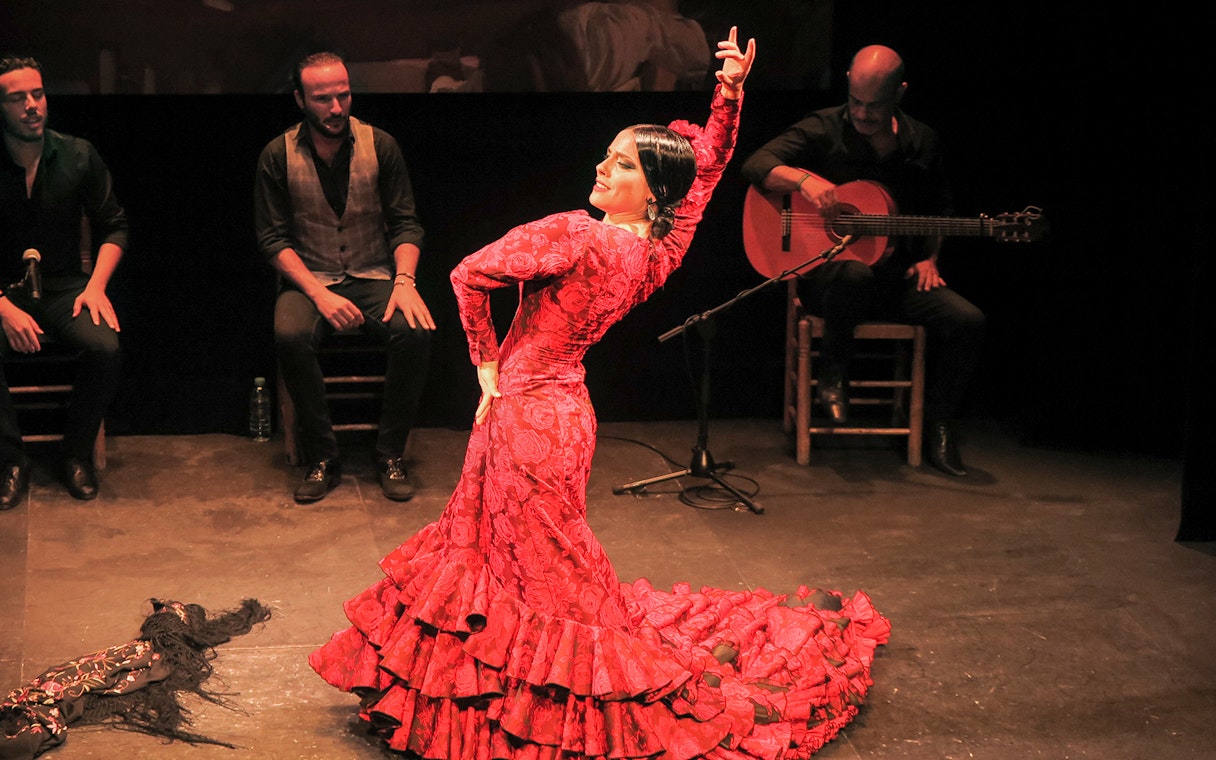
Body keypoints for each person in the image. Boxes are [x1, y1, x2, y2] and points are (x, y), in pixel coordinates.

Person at [310, 29, 890, 759]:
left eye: (621, 164)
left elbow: (465, 275)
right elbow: (706, 168)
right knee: (526, 569)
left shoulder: (576, 236)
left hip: (526, 418)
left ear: (652, 187)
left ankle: (553, 708)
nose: (601, 167)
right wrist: (730, 94)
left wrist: (486, 365)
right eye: (607, 156)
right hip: (568, 414)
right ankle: (517, 699)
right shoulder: (660, 250)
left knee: (524, 574)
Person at [741, 44, 985, 477]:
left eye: (875, 105)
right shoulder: (824, 127)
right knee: (854, 273)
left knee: (968, 321)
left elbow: (940, 210)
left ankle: (939, 422)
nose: (863, 113)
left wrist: (930, 258)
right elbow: (756, 163)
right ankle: (833, 374)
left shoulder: (921, 142)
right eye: (856, 101)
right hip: (833, 284)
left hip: (898, 279)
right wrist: (804, 180)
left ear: (900, 93)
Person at [254, 51, 435, 504]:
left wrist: (404, 281)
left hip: (373, 273)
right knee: (290, 334)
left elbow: (406, 223)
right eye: (322, 99)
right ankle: (322, 457)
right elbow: (272, 240)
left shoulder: (381, 145)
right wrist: (319, 295)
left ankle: (390, 454)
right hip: (309, 278)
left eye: (344, 95)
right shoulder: (277, 154)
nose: (336, 108)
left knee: (415, 330)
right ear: (300, 99)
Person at [0, 56, 126, 508]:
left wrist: (96, 286)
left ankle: (75, 454)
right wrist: (3, 307)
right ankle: (11, 461)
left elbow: (114, 226)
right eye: (17, 98)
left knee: (105, 347)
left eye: (37, 94)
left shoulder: (77, 154)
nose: (32, 106)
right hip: (3, 293)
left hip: (65, 286)